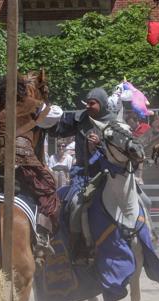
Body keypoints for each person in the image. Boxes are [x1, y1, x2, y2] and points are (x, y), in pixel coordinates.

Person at [0, 77, 62, 257]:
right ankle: (42, 234)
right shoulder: (32, 105)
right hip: (24, 162)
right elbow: (57, 114)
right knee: (48, 189)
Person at [49, 87, 117, 262]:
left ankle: (143, 237)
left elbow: (119, 149)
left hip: (108, 174)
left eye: (92, 103)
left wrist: (101, 143)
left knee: (141, 201)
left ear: (101, 104)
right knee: (75, 205)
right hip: (83, 176)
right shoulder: (80, 119)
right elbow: (57, 129)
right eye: (87, 102)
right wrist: (46, 117)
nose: (88, 105)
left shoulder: (114, 123)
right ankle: (77, 246)